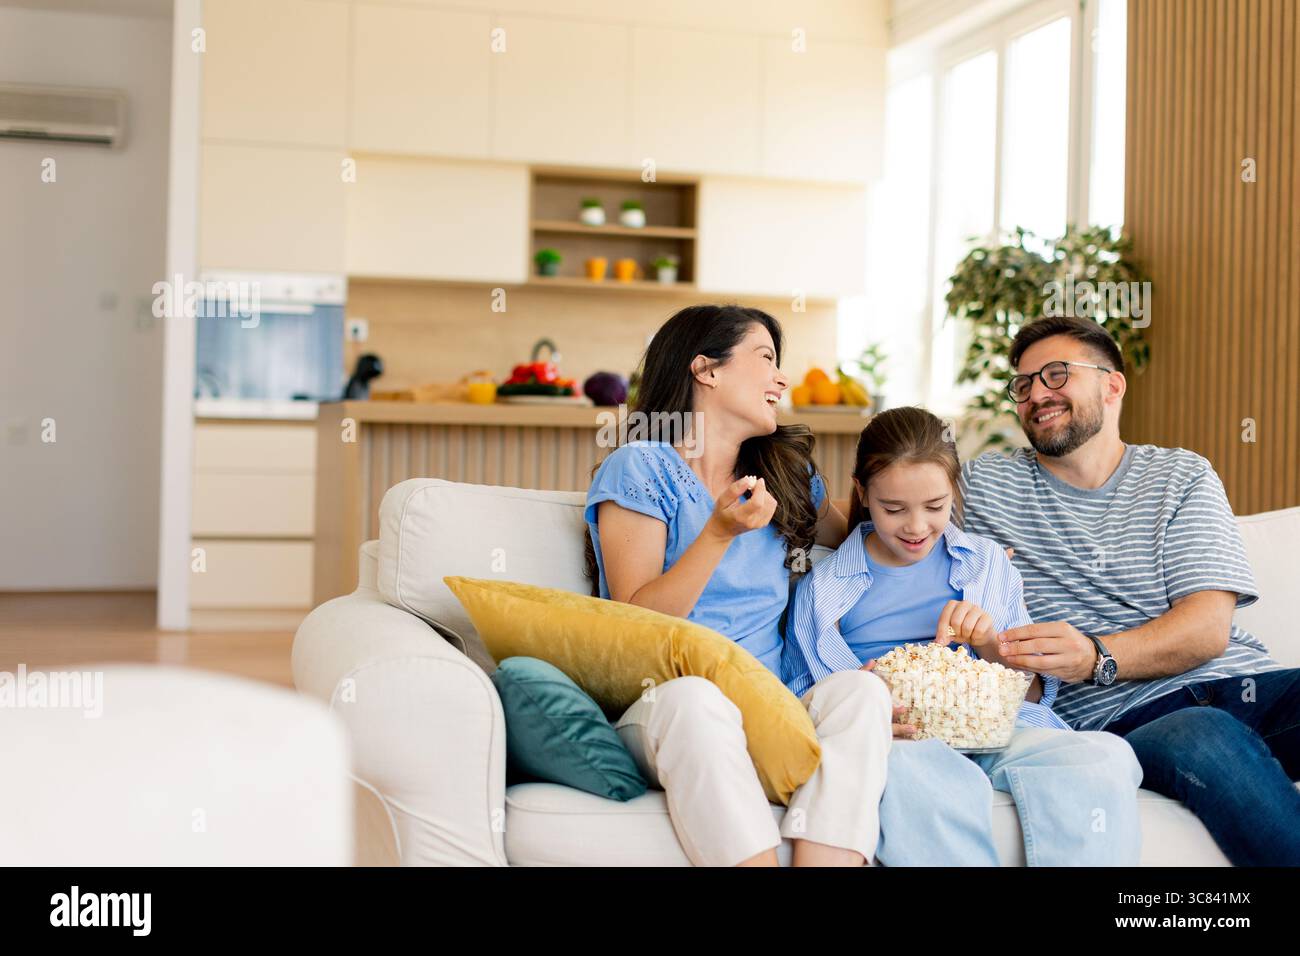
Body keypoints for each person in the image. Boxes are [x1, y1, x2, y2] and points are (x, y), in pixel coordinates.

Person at [962, 313, 1300, 865]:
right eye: (1022, 386)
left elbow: (1207, 627)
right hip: (1130, 722)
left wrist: (1097, 655)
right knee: (1206, 735)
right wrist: (778, 498)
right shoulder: (984, 485)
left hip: (1248, 686)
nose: (1034, 396)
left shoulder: (1181, 476)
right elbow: (882, 501)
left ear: (1112, 384)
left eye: (1054, 375)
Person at [585, 304, 893, 867]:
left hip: (768, 699)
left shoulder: (785, 475)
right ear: (706, 369)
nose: (782, 378)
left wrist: (935, 519)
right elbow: (638, 619)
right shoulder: (640, 467)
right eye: (766, 358)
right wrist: (717, 534)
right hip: (663, 700)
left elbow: (868, 529)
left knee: (862, 694)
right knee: (696, 701)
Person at [784, 407, 1144, 865]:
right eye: (894, 509)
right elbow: (804, 698)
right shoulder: (823, 588)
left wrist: (989, 644)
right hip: (904, 741)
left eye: (935, 506)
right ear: (862, 492)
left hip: (998, 728)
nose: (917, 528)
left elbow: (1031, 697)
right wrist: (864, 704)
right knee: (923, 779)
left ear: (953, 490)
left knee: (1103, 758)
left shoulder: (987, 563)